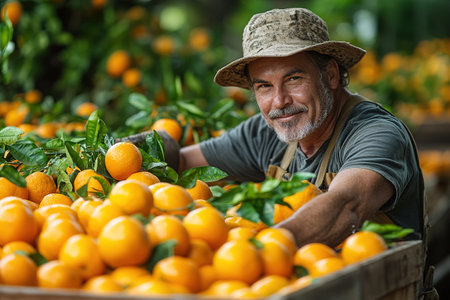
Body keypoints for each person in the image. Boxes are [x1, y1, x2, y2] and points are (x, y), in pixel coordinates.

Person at [172, 8, 425, 248]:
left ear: (331, 75)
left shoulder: (376, 133)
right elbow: (182, 162)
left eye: (294, 79)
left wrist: (265, 249)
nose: (280, 101)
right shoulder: (263, 134)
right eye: (264, 87)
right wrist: (137, 147)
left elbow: (346, 206)